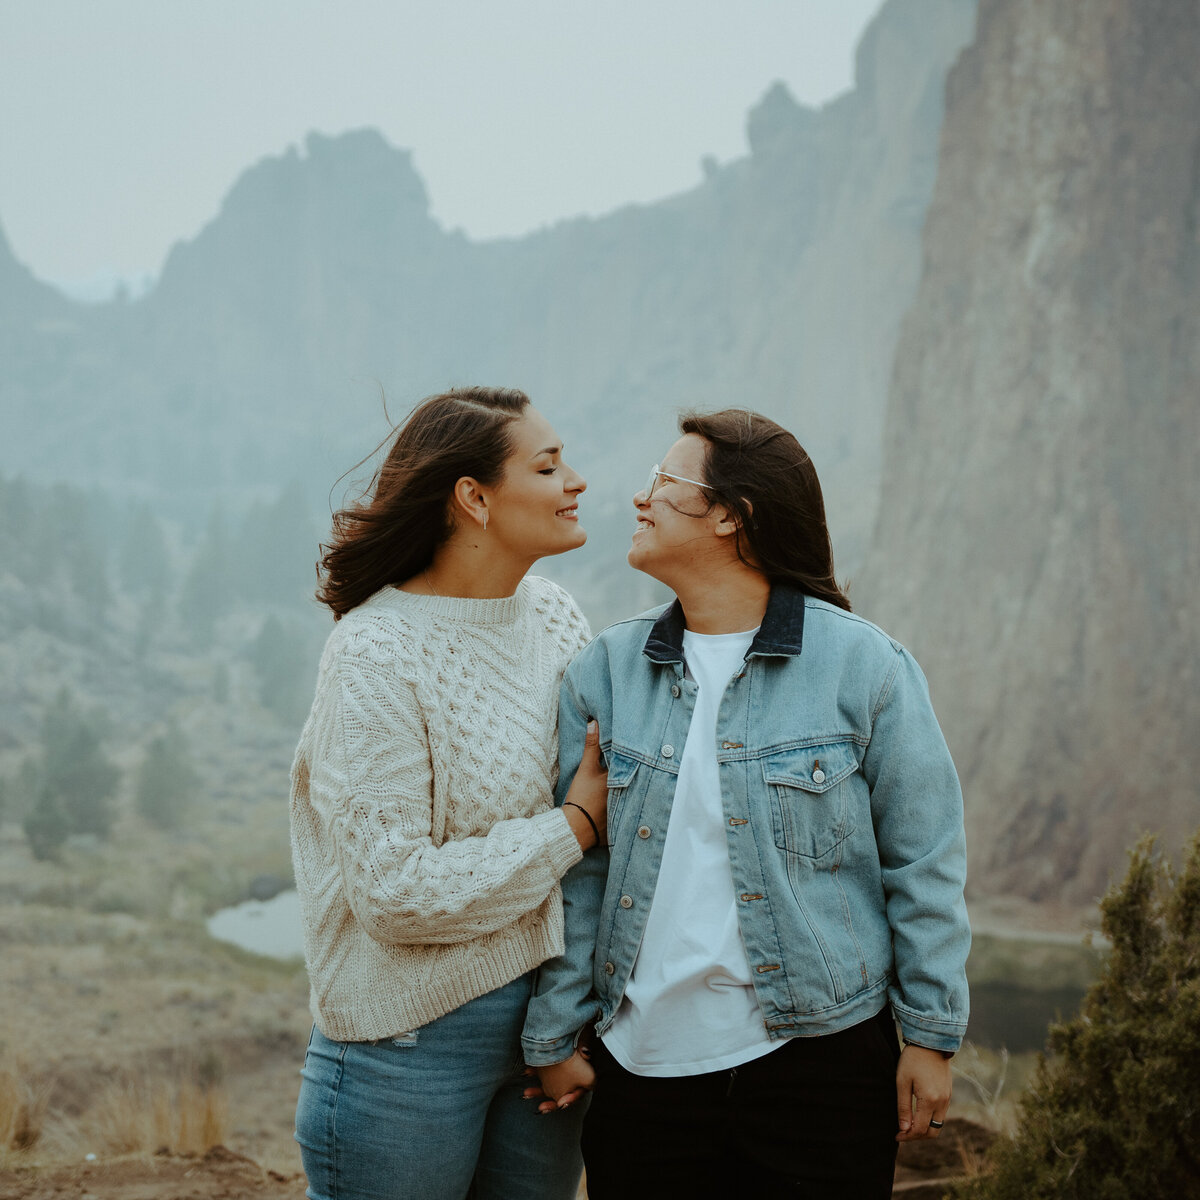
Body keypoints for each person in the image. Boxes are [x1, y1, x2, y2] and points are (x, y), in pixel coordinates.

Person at [521, 409, 970, 1199]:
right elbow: (584, 872)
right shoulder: (607, 674)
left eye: (666, 482)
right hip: (643, 1076)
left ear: (732, 514)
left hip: (820, 1071)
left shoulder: (865, 667)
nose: (640, 497)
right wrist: (556, 1027)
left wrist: (930, 1036)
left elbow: (924, 859)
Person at [290, 386, 609, 1200]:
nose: (575, 480)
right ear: (473, 498)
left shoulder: (555, 616)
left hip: (549, 1028)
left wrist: (569, 1011)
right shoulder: (375, 653)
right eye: (547, 465)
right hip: (406, 1046)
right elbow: (392, 891)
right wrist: (570, 827)